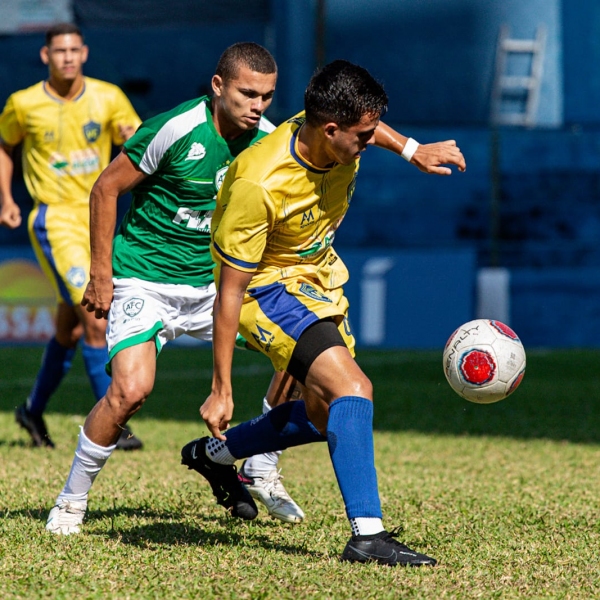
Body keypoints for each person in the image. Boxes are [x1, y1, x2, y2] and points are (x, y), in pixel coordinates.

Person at [179, 60, 466, 566]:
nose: (369, 140)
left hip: (320, 281)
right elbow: (229, 292)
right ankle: (368, 536)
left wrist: (411, 149)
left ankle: (215, 456)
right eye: (364, 134)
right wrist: (221, 387)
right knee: (353, 390)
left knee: (321, 414)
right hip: (264, 291)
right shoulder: (259, 182)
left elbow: (371, 130)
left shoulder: (335, 130)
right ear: (330, 130)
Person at [45, 41, 314, 535]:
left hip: (218, 285)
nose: (257, 106)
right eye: (247, 93)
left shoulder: (271, 142)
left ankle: (260, 464)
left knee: (304, 352)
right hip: (144, 278)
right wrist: (101, 274)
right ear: (218, 87)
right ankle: (70, 500)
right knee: (130, 391)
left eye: (267, 96)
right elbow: (106, 188)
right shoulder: (176, 129)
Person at [0, 23, 143, 450]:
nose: (66, 57)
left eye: (73, 50)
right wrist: (6, 197)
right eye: (58, 51)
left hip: (96, 220)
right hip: (54, 221)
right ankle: (113, 420)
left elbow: (135, 140)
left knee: (71, 329)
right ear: (46, 56)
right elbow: (5, 144)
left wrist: (133, 143)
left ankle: (31, 409)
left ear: (84, 53)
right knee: (96, 316)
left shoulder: (108, 97)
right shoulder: (23, 104)